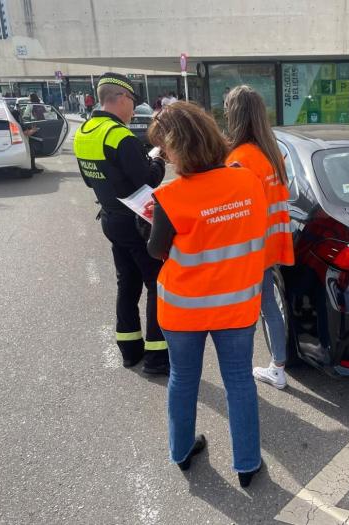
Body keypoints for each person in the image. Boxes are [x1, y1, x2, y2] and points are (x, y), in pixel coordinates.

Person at [146, 102, 267, 486]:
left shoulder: (170, 197)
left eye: (164, 149)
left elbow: (156, 249)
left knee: (184, 379)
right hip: (237, 305)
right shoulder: (247, 180)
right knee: (239, 381)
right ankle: (247, 463)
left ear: (176, 149)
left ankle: (181, 451)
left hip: (184, 310)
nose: (163, 156)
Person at [73, 72, 170, 375]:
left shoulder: (84, 132)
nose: (132, 110)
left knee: (127, 283)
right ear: (123, 98)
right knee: (156, 284)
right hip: (136, 223)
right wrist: (158, 159)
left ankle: (129, 350)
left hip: (111, 219)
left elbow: (90, 181)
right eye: (132, 102)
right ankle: (157, 357)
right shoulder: (120, 136)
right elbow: (147, 181)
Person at [225, 85, 294, 390]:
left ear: (234, 116)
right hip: (269, 247)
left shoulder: (238, 159)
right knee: (269, 309)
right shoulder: (273, 153)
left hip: (246, 253)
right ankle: (278, 366)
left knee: (242, 318)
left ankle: (243, 378)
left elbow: (231, 212)